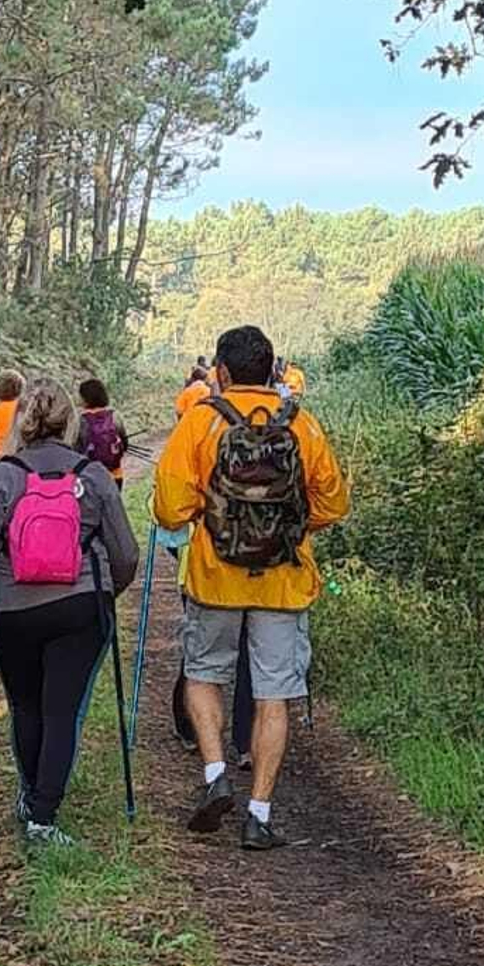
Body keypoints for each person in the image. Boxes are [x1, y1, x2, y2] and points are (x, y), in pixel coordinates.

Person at [153, 323, 348, 851]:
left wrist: (211, 518)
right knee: (274, 695)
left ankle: (216, 773)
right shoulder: (302, 427)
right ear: (274, 370)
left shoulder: (199, 423)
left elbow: (170, 508)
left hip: (215, 577)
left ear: (220, 372)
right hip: (283, 581)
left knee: (203, 674)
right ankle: (259, 814)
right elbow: (333, 504)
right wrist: (286, 529)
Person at [0, 375, 139, 850]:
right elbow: (126, 553)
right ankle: (43, 816)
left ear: (22, 420)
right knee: (62, 710)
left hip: (13, 610)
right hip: (80, 607)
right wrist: (103, 594)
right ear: (69, 420)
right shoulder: (94, 475)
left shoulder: (3, 474)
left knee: (26, 705)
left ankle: (30, 795)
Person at [76, 374, 130, 485]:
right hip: (115, 475)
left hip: (90, 478)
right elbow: (124, 445)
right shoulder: (115, 416)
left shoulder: (80, 421)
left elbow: (76, 450)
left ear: (85, 398)